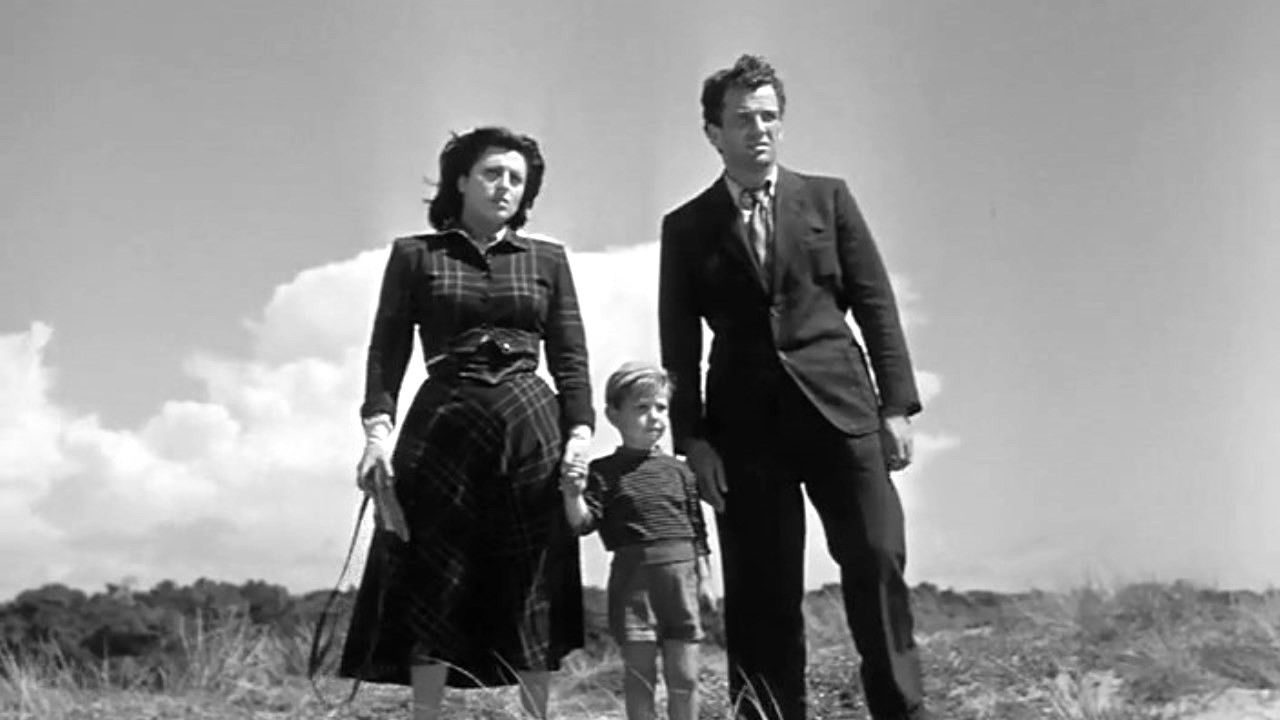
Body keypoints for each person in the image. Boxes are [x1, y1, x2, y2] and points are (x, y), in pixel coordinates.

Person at [657, 55, 931, 720]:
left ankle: (903, 709)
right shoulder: (686, 227)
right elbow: (679, 346)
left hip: (844, 414)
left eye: (769, 117)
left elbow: (876, 305)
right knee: (761, 591)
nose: (759, 130)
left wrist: (896, 406)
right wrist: (692, 441)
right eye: (742, 119)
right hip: (744, 431)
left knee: (878, 558)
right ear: (713, 132)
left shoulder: (829, 199)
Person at [338, 126, 594, 720]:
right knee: (432, 573)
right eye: (491, 173)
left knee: (532, 576)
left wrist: (580, 434)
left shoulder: (548, 260)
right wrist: (376, 434)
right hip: (442, 425)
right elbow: (386, 351)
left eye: (516, 179)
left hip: (532, 429)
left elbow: (571, 357)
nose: (504, 186)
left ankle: (536, 717)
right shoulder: (415, 255)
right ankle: (426, 714)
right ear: (461, 180)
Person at [560, 361, 714, 720]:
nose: (654, 417)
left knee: (685, 678)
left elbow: (697, 528)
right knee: (640, 677)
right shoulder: (603, 472)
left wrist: (706, 579)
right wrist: (572, 493)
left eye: (661, 407)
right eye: (642, 408)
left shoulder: (681, 470)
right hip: (634, 585)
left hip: (682, 583)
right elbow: (583, 523)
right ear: (613, 415)